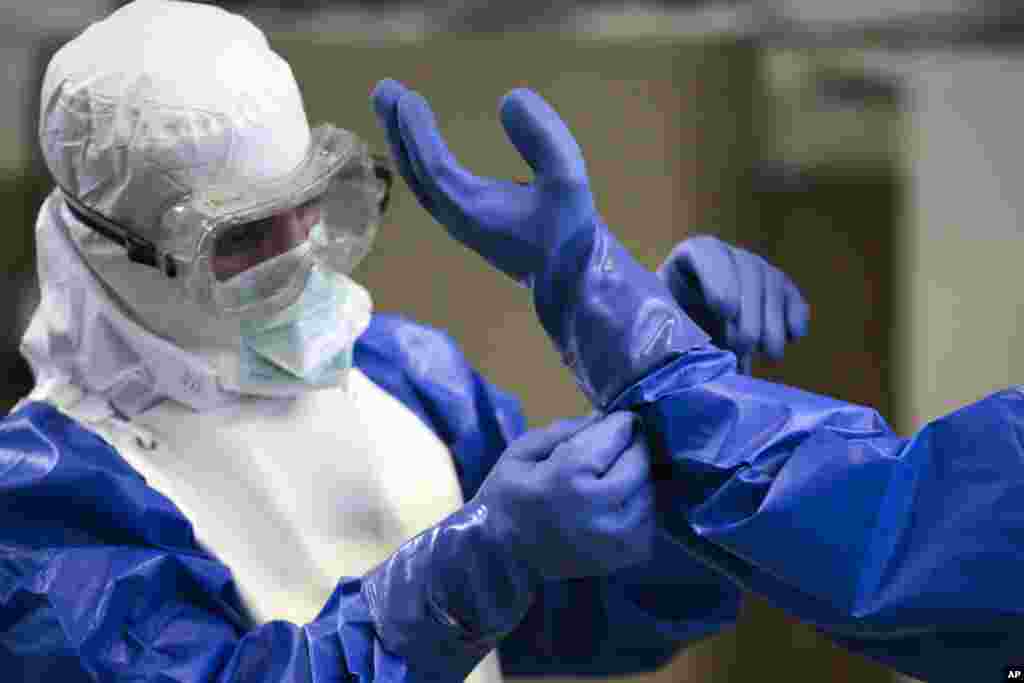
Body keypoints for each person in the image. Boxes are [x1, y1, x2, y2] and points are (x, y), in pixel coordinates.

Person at [0, 2, 804, 681]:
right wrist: (477, 564)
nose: (301, 257)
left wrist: (679, 388)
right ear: (117, 252)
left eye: (308, 202)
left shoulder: (399, 373)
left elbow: (592, 615)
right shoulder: (47, 502)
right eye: (244, 236)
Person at [372, 77, 1024, 683]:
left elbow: (614, 605)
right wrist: (669, 361)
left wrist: (669, 369)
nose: (299, 237)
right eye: (267, 216)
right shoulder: (396, 377)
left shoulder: (409, 390)